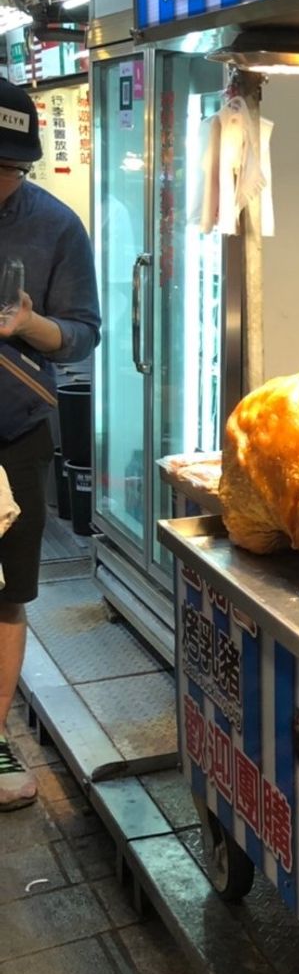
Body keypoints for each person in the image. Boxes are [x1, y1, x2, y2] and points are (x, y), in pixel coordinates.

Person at [0, 78, 101, 808]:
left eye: (12, 166)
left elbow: (84, 336)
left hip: (16, 437)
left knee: (6, 598)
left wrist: (29, 324)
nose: (1, 179)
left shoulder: (58, 227)